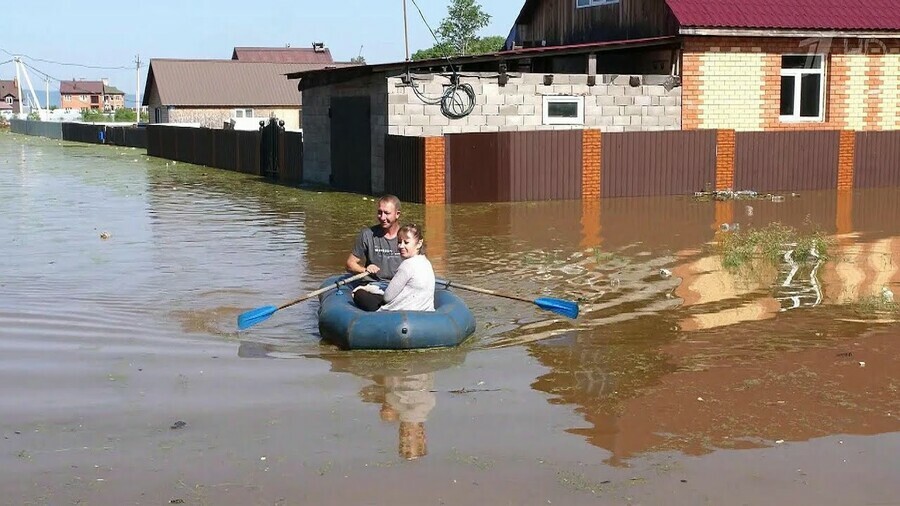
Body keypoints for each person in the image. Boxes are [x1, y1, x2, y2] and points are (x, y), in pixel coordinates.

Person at [353, 223, 435, 312]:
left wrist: (367, 289)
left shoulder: (407, 265)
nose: (401, 246)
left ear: (419, 244)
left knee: (359, 294)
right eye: (399, 242)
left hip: (401, 314)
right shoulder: (426, 262)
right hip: (425, 312)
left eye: (406, 242)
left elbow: (387, 297)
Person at [346, 194, 403, 280]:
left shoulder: (408, 237)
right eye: (380, 212)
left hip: (399, 286)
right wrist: (365, 270)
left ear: (397, 214)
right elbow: (350, 264)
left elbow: (419, 265)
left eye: (387, 213)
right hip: (373, 284)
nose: (382, 217)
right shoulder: (367, 234)